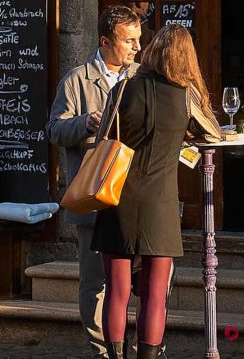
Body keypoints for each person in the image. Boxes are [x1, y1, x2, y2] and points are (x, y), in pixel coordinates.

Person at [93, 24, 221, 359]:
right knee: (154, 294)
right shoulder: (185, 95)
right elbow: (214, 133)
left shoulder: (123, 88)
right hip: (160, 202)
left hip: (117, 196)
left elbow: (100, 141)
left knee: (117, 292)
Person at [47, 5, 142, 359]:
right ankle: (104, 351)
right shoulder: (76, 80)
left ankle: (142, 345)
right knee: (95, 282)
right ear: (105, 41)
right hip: (94, 194)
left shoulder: (141, 77)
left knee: (141, 277)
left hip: (133, 195)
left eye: (138, 40)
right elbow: (54, 130)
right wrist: (86, 123)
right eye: (128, 41)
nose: (136, 48)